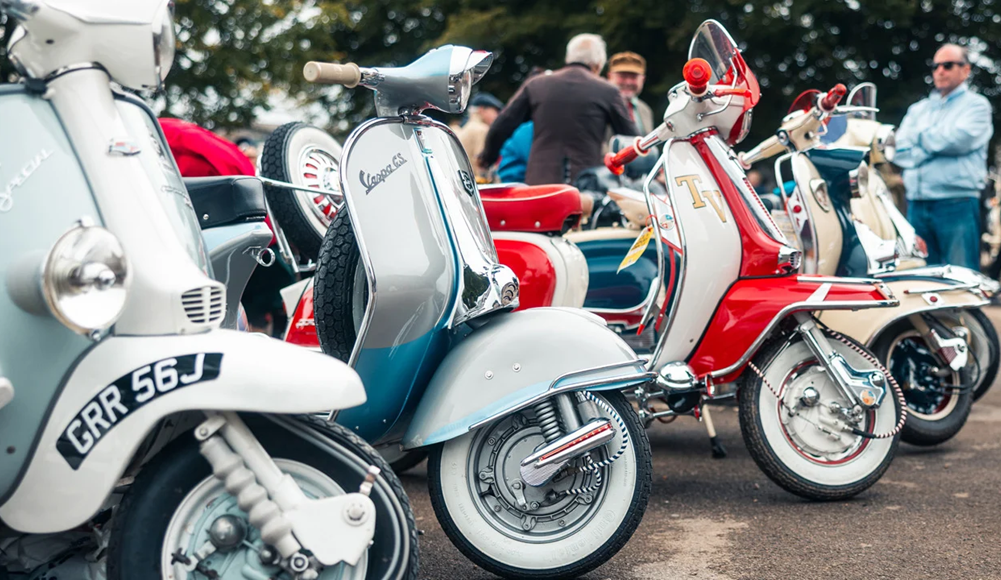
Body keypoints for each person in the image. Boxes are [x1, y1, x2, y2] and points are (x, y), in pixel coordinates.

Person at [479, 33, 638, 200]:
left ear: (568, 57)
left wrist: (487, 158)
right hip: (587, 187)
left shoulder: (536, 84)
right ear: (598, 64)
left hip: (539, 186)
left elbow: (501, 126)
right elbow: (632, 141)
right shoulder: (608, 91)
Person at [895, 43, 994, 268]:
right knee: (920, 276)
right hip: (917, 203)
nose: (940, 71)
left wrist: (918, 140)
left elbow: (959, 140)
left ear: (966, 70)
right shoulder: (917, 109)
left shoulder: (977, 106)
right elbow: (899, 151)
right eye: (936, 66)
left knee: (961, 277)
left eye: (948, 65)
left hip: (956, 202)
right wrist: (935, 144)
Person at [456, 92, 504, 180]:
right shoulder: (481, 130)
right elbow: (482, 166)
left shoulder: (467, 128)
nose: (497, 115)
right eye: (495, 111)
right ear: (482, 109)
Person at [606, 51, 654, 135]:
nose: (628, 82)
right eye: (623, 76)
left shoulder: (645, 110)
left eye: (633, 77)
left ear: (643, 80)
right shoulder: (600, 106)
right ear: (610, 77)